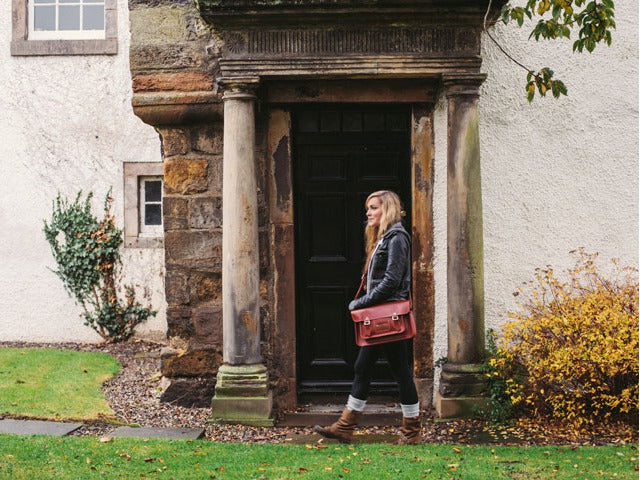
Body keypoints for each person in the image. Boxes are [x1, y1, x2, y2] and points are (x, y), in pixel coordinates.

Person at [313, 190, 421, 445]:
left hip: (388, 317)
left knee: (392, 371)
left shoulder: (397, 238)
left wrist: (360, 303)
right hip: (383, 317)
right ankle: (349, 427)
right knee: (388, 370)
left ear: (388, 209)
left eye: (373, 208)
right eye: (368, 209)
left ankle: (407, 431)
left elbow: (392, 281)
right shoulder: (384, 238)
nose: (368, 213)